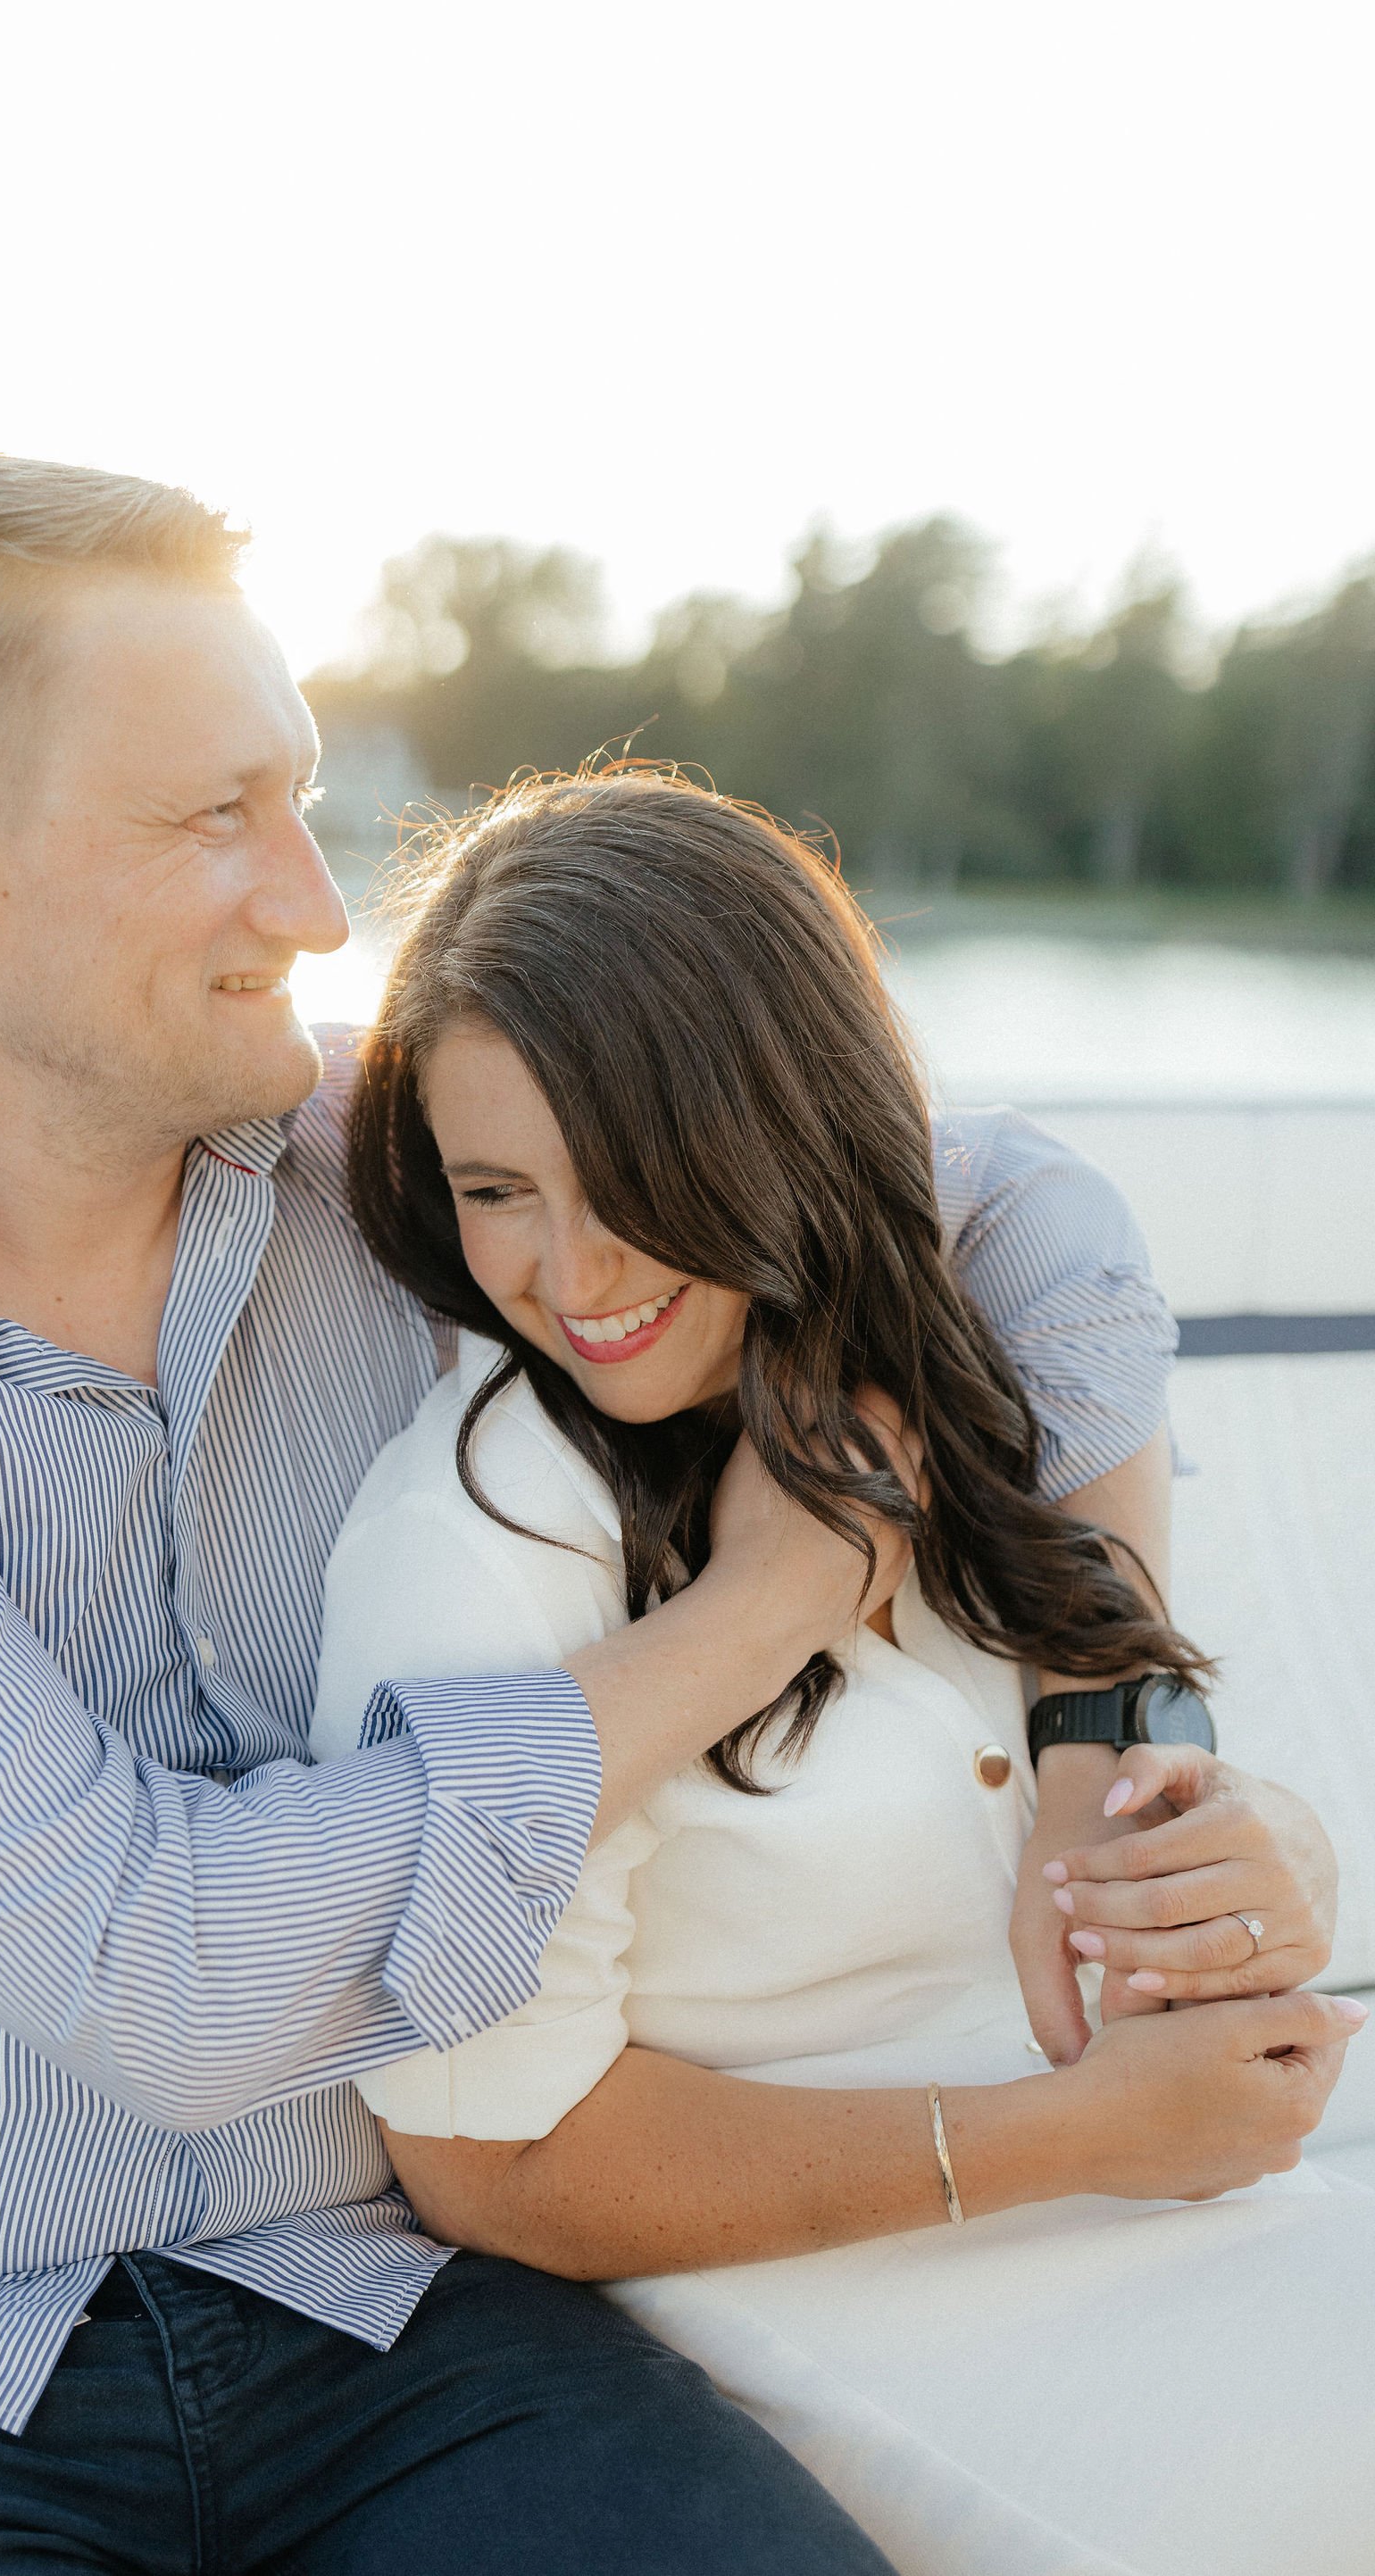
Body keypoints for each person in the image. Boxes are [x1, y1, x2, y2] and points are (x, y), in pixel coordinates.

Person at [0, 461, 1332, 2576]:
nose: (313, 905)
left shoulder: (382, 1159)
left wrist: (1095, 1724)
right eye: (217, 818)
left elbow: (1013, 1201)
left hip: (390, 2312)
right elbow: (172, 1975)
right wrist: (756, 1610)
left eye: (297, 801)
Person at [307, 765, 1372, 2576]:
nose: (569, 1273)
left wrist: (1255, 1869)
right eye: (497, 1191)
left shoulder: (963, 1382)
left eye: (628, 1179)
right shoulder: (484, 1538)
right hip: (827, 2295)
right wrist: (1067, 2138)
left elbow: (1133, 1795)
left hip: (1173, 2195)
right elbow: (495, 2167)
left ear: (781, 1117)